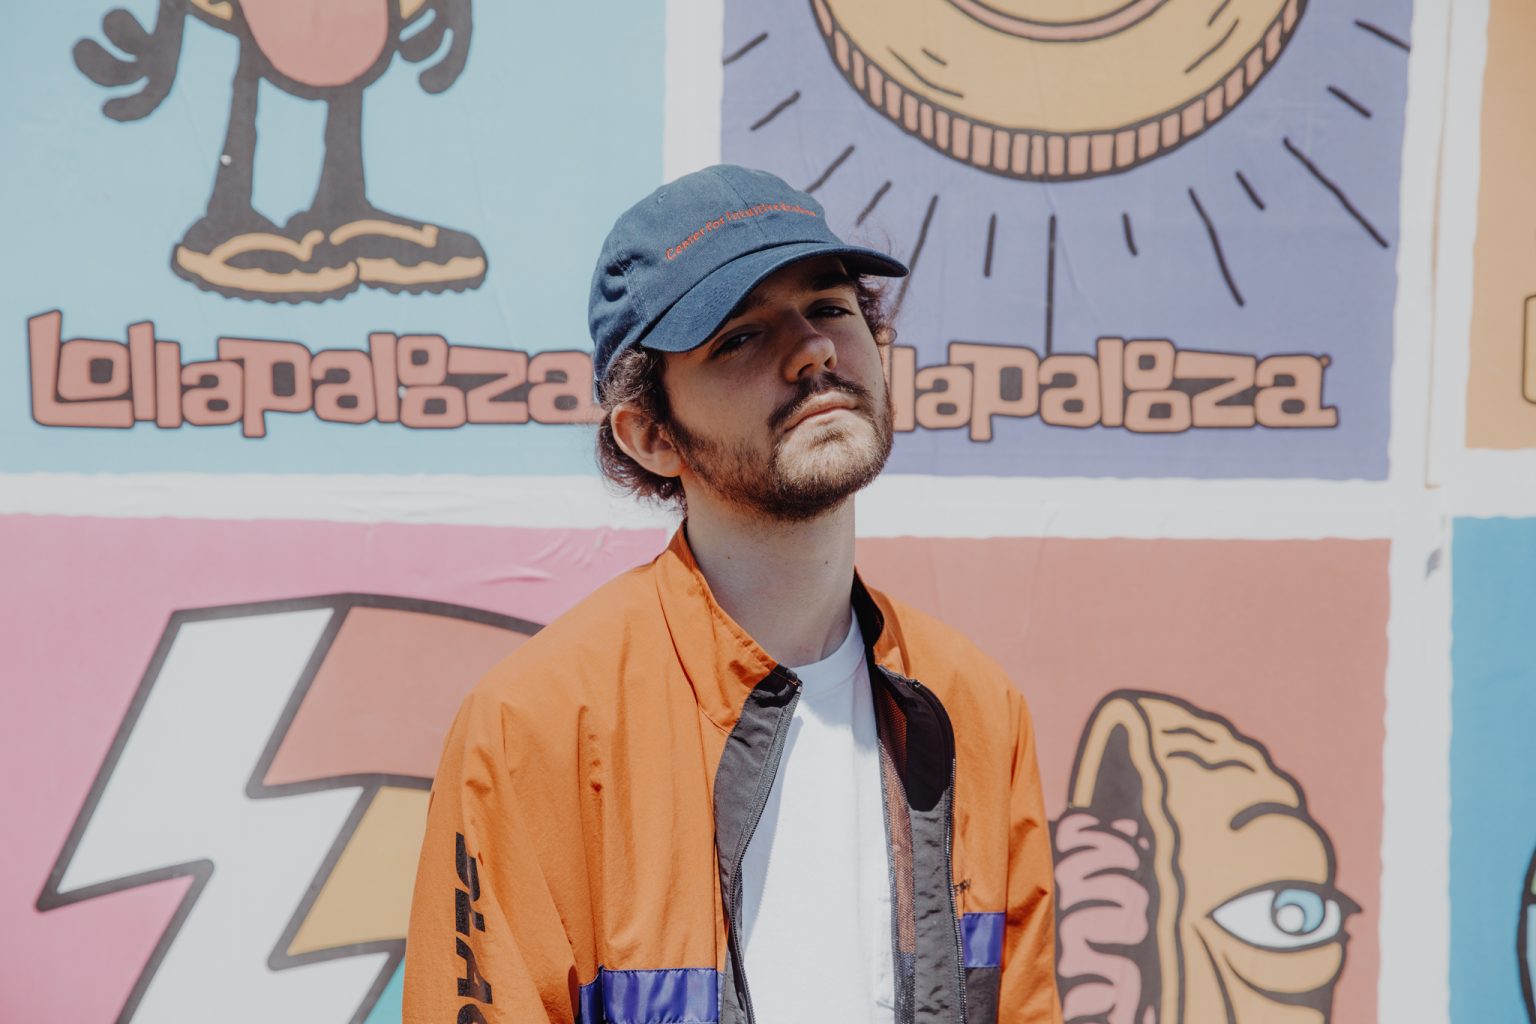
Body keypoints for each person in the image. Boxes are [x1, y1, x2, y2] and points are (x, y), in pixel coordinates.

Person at [404, 165, 1061, 1024]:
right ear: (651, 435)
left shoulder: (974, 706)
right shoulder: (536, 725)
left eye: (831, 307)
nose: (813, 350)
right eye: (741, 336)